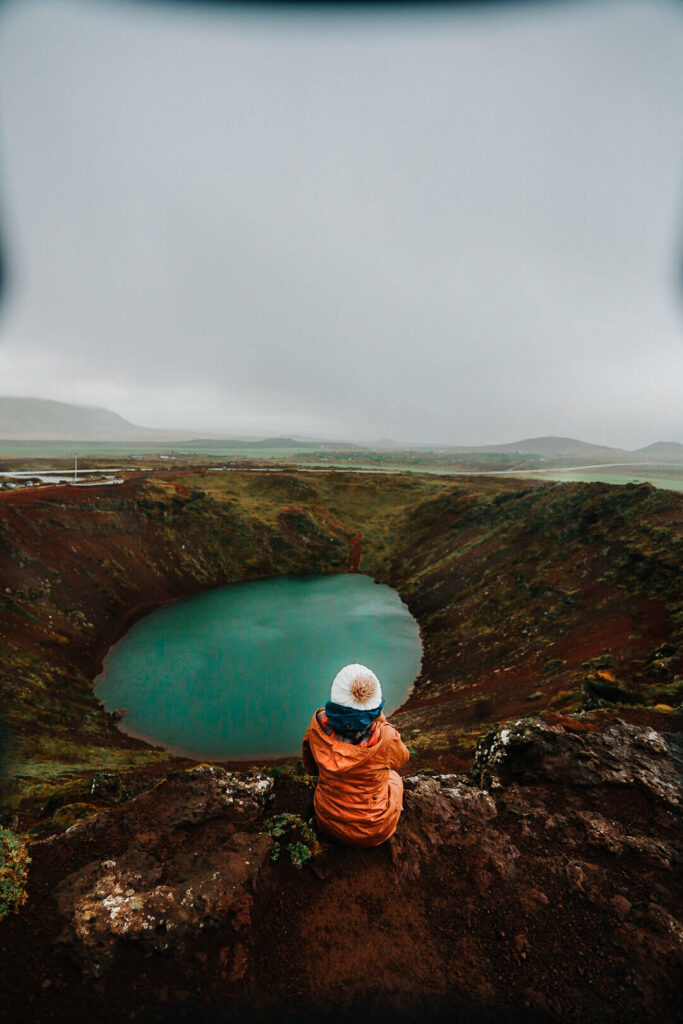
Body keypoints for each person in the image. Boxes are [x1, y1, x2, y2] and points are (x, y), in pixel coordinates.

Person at [301, 663, 410, 847]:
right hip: (374, 830)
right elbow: (402, 758)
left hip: (328, 823)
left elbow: (310, 767)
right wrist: (380, 721)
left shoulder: (317, 726)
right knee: (394, 777)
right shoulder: (387, 738)